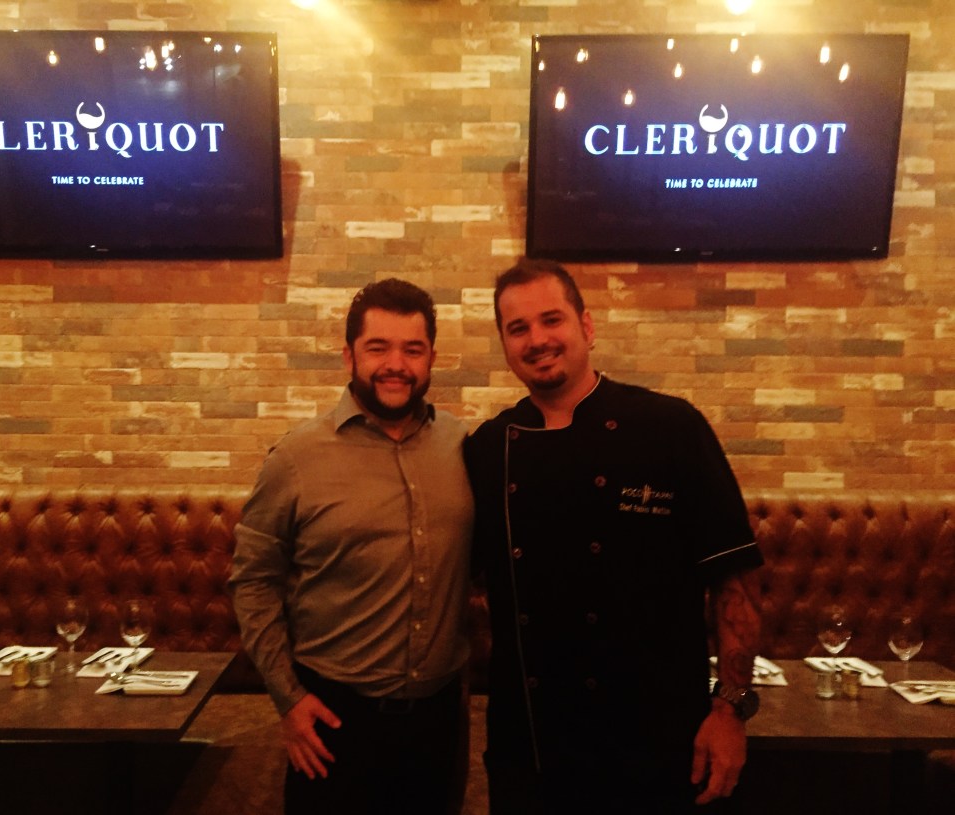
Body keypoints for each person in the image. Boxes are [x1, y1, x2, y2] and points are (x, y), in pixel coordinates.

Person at [464, 258, 763, 814]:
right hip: (531, 749)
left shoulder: (671, 428)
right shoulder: (487, 448)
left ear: (587, 326)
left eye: (551, 319)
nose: (537, 339)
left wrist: (729, 710)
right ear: (505, 345)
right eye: (518, 328)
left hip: (658, 743)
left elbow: (733, 580)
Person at [230, 278, 474, 815]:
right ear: (349, 356)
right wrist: (288, 699)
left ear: (432, 358)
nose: (396, 365)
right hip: (334, 718)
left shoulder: (463, 448)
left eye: (413, 349)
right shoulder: (295, 459)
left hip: (438, 722)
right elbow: (252, 582)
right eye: (378, 348)